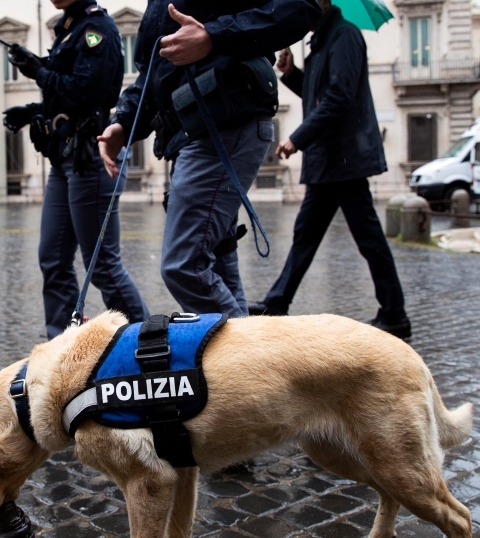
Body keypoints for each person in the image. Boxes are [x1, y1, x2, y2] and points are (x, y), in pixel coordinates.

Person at [98, 0, 319, 319]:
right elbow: (152, 73)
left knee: (184, 266)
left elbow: (301, 7)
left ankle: (245, 364)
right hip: (188, 134)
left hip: (224, 126)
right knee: (216, 264)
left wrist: (213, 36)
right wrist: (123, 122)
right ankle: (246, 361)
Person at [247, 4, 412, 340]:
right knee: (305, 236)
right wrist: (292, 73)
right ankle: (277, 302)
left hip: (345, 159)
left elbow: (339, 97)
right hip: (329, 161)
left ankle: (395, 314)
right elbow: (319, 92)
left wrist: (297, 138)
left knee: (369, 240)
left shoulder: (344, 36)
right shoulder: (323, 40)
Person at [3, 0, 149, 339]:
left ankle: (146, 341)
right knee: (52, 259)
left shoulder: (98, 30)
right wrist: (31, 110)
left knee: (102, 265)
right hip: (64, 158)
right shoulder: (69, 29)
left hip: (90, 156)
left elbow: (87, 91)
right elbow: (64, 96)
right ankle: (62, 344)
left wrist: (37, 71)